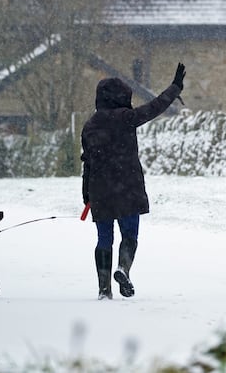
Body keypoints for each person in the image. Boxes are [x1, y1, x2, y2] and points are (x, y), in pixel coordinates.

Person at [81, 63, 185, 299]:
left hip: (100, 190)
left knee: (103, 238)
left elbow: (87, 161)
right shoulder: (127, 118)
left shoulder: (89, 126)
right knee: (129, 235)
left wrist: (86, 193)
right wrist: (175, 87)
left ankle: (104, 289)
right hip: (127, 188)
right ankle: (123, 268)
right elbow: (154, 107)